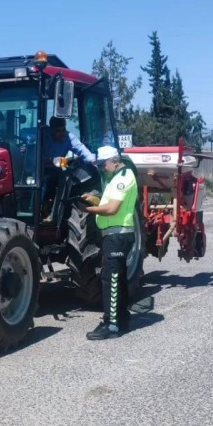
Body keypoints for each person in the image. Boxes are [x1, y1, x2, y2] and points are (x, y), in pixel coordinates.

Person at [82, 145, 139, 340]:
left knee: (111, 278)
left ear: (115, 161)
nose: (102, 168)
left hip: (117, 235)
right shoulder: (116, 178)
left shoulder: (124, 178)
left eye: (103, 164)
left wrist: (89, 211)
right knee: (119, 277)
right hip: (115, 235)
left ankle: (111, 325)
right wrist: (95, 201)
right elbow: (109, 204)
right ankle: (122, 318)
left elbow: (113, 208)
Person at [41, 117, 95, 220]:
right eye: (58, 131)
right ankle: (40, 207)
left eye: (63, 130)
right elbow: (33, 157)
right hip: (37, 170)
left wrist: (93, 161)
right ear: (51, 130)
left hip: (56, 169)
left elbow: (81, 149)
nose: (62, 133)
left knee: (60, 179)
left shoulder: (68, 137)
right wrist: (48, 161)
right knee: (41, 181)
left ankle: (54, 212)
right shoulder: (42, 136)